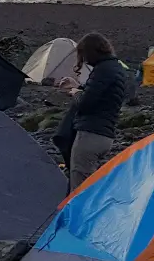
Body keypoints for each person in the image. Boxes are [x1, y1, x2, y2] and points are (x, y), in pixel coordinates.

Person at [52, 33, 135, 190]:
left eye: (83, 55)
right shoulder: (115, 68)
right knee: (90, 182)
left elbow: (85, 104)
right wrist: (78, 86)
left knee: (80, 184)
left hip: (89, 135)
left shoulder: (102, 70)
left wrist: (75, 92)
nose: (84, 60)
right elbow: (101, 96)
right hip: (105, 134)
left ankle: (78, 207)